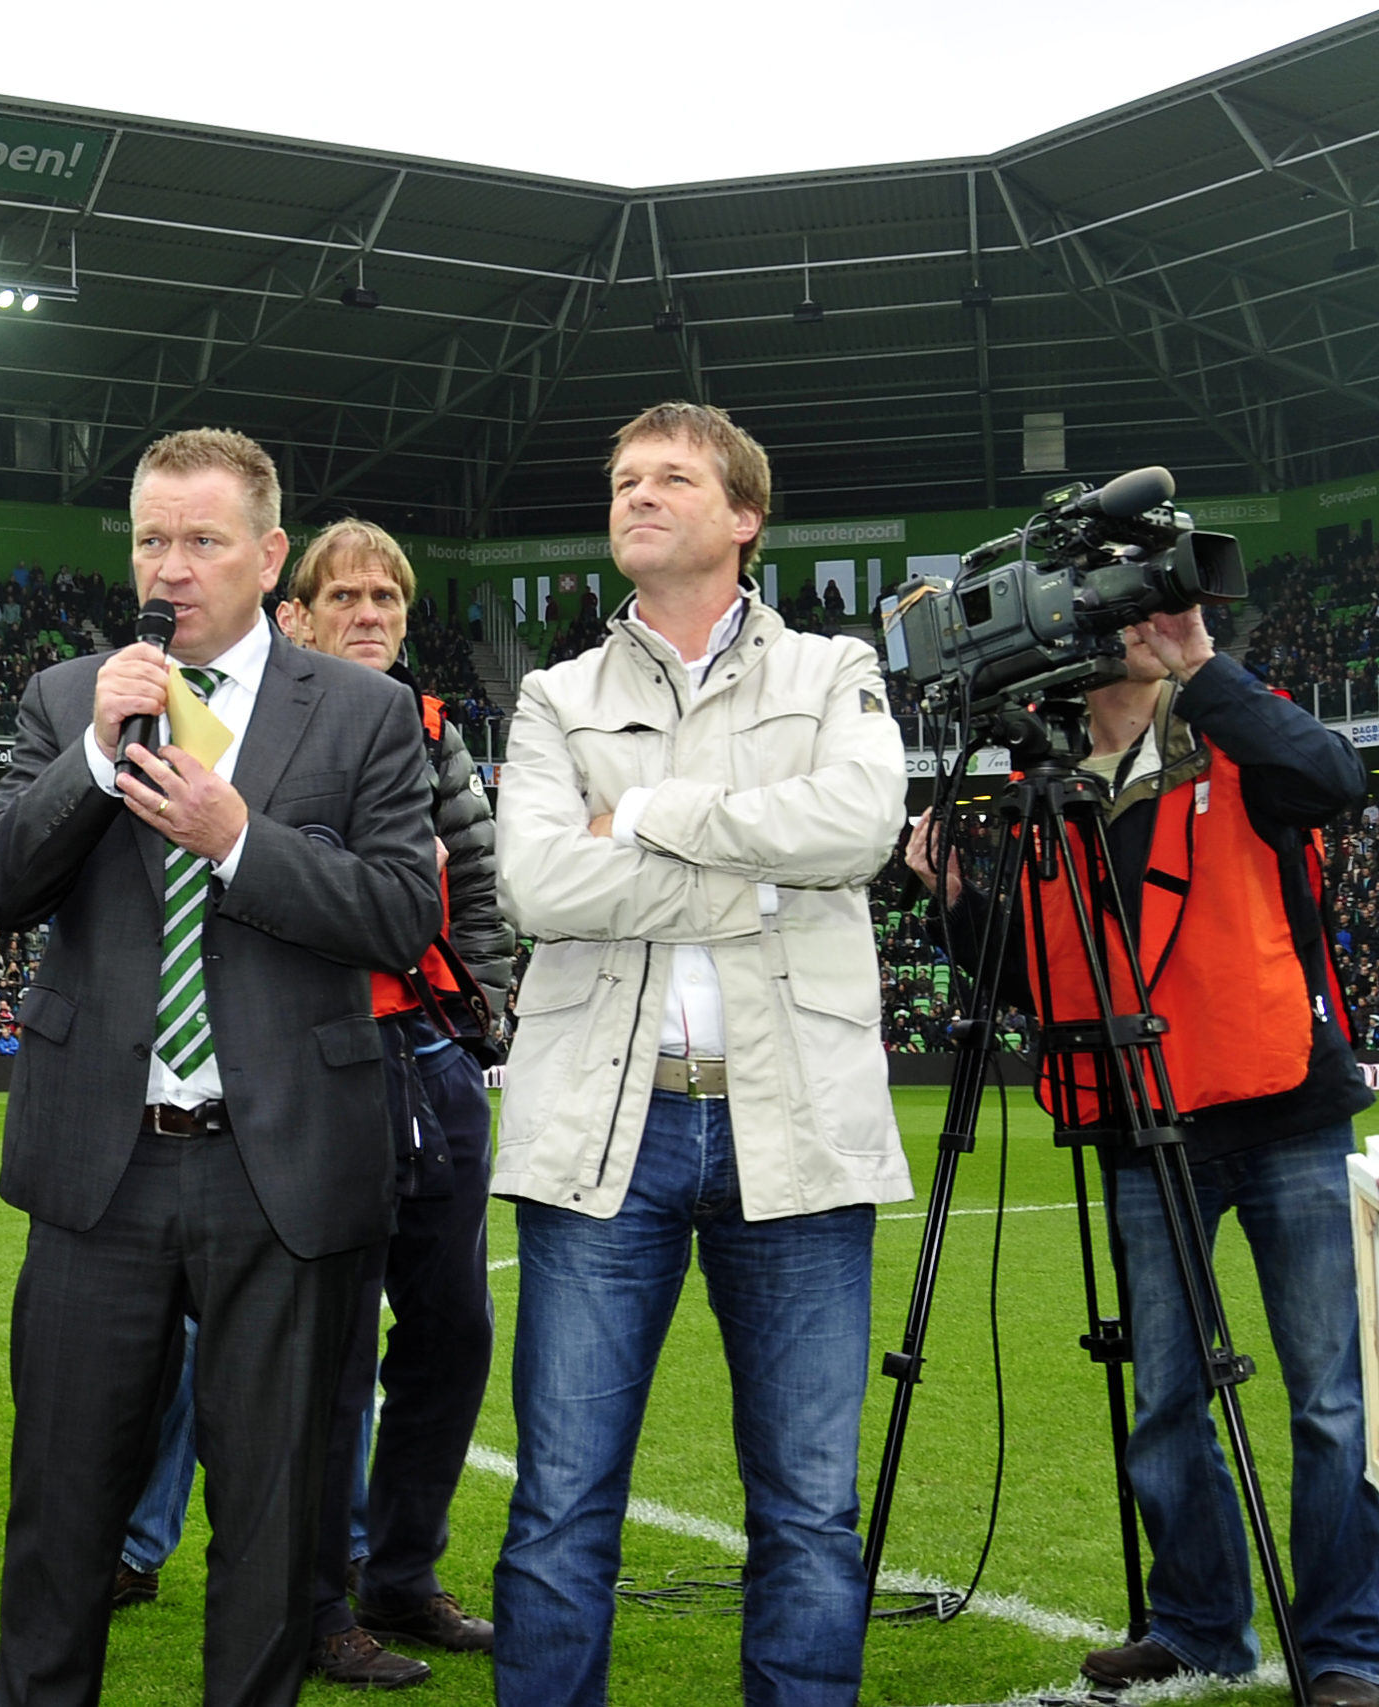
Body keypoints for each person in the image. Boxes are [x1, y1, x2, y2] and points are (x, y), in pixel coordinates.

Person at [0, 426, 438, 1707]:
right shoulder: (71, 697)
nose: (170, 568)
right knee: (60, 1513)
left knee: (276, 1523)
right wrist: (87, 759)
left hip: (279, 1169)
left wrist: (241, 842)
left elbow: (402, 912)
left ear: (268, 552)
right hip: (97, 1172)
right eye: (151, 541)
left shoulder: (363, 709)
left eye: (203, 541)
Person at [491, 401, 907, 1707]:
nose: (639, 494)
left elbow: (857, 826)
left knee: (808, 1509)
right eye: (623, 478)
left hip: (798, 1131)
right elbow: (541, 887)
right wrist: (753, 875)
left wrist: (655, 817)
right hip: (602, 1135)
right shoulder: (557, 695)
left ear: (744, 517)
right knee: (560, 1504)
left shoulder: (833, 671)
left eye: (673, 476)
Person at [906, 610, 1379, 1707]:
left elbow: (1330, 776)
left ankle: (1348, 1645)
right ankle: (1198, 1623)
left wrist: (1205, 666)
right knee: (1162, 1396)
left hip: (1280, 1103)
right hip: (1135, 1116)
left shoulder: (1228, 734)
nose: (1124, 628)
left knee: (1326, 1400)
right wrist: (955, 899)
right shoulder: (1050, 783)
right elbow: (1042, 978)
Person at [292, 519, 512, 1687]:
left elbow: (476, 888)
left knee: (451, 1333)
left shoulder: (433, 734)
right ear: (297, 616)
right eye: (344, 596)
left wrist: (484, 1016)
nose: (369, 613)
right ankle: (316, 1599)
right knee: (325, 1349)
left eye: (386, 597)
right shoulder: (263, 732)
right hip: (319, 1061)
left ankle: (401, 1574)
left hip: (429, 1059)